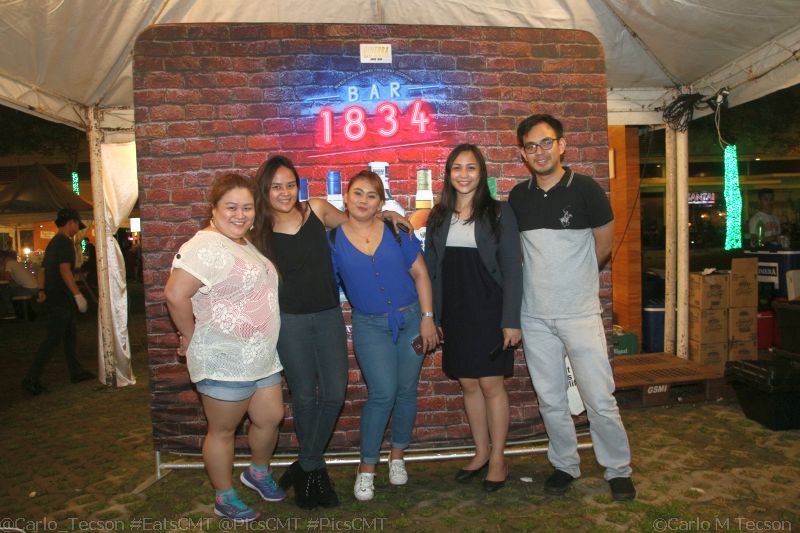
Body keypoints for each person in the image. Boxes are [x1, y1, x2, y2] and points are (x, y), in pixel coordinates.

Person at [252, 155, 410, 509]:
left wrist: (388, 214)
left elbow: (359, 223)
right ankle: (313, 472)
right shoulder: (257, 232)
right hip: (289, 322)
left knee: (335, 393)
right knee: (304, 397)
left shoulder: (318, 209)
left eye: (290, 184)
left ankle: (306, 463)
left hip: (328, 316)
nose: (284, 192)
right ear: (264, 190)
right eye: (276, 186)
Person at [508, 114, 636, 501]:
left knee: (599, 397)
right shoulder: (518, 197)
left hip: (580, 313)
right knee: (550, 399)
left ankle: (617, 469)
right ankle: (565, 464)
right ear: (523, 154)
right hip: (534, 316)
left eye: (546, 143)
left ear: (562, 145)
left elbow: (604, 247)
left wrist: (573, 282)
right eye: (531, 146)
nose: (539, 151)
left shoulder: (586, 190)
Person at [164, 174, 284, 521]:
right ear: (214, 209)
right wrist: (190, 335)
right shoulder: (205, 246)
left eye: (247, 207)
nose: (240, 214)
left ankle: (257, 473)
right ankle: (224, 496)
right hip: (224, 358)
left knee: (270, 418)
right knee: (223, 430)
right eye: (231, 207)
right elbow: (175, 294)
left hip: (260, 356)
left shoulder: (243, 243)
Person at [327, 171, 438, 502]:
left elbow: (421, 274)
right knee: (382, 393)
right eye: (357, 193)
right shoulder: (332, 241)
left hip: (412, 320)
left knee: (406, 391)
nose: (363, 200)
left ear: (380, 202)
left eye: (371, 195)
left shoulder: (395, 230)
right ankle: (367, 468)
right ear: (346, 197)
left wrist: (428, 319)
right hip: (369, 325)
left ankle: (398, 456)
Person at [424, 144, 522, 492]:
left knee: (491, 385)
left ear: (482, 173)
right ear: (448, 174)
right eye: (457, 168)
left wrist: (511, 319)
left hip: (490, 310)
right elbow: (431, 269)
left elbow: (513, 269)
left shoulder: (499, 212)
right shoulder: (438, 215)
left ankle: (498, 459)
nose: (463, 175)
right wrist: (432, 316)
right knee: (468, 384)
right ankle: (481, 453)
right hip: (456, 311)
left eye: (471, 168)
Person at [22, 208, 93, 395]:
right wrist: (77, 294)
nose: (77, 229)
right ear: (71, 223)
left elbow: (43, 269)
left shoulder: (53, 242)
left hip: (54, 295)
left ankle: (76, 371)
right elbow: (64, 270)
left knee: (69, 334)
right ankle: (31, 378)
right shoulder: (65, 243)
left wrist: (41, 289)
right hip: (61, 296)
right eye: (77, 225)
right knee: (53, 338)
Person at [1, 249, 39, 319]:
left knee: (4, 291)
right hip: (35, 288)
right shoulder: (17, 263)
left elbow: (6, 278)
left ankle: (11, 312)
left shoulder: (9, 263)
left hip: (28, 289)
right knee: (11, 289)